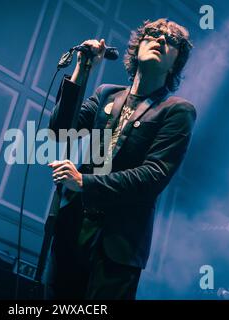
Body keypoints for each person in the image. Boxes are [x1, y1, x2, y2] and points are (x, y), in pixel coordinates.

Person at [44, 18, 196, 299]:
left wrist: (84, 182)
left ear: (176, 62)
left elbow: (153, 176)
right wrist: (83, 68)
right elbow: (60, 132)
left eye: (171, 40)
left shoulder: (177, 111)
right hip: (73, 227)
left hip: (118, 247)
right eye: (153, 34)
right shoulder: (106, 94)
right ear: (137, 45)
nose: (161, 40)